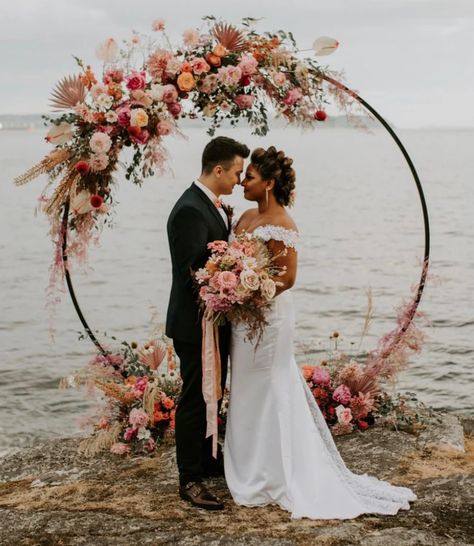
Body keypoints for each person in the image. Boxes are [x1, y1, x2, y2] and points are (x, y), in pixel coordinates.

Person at [224, 146, 416, 519]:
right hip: (242, 319)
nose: (243, 182)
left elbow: (288, 277)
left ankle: (275, 472)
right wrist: (227, 284)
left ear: (269, 183)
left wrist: (246, 291)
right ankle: (248, 465)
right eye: (243, 175)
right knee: (245, 387)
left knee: (270, 387)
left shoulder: (282, 224)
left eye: (249, 177)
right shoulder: (245, 215)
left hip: (268, 318)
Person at [166, 136, 250, 510]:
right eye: (235, 172)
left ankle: (207, 459)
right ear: (218, 170)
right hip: (194, 323)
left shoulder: (209, 206)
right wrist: (228, 283)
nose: (238, 180)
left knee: (212, 393)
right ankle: (190, 479)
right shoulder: (189, 210)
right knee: (194, 398)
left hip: (214, 321)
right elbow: (193, 275)